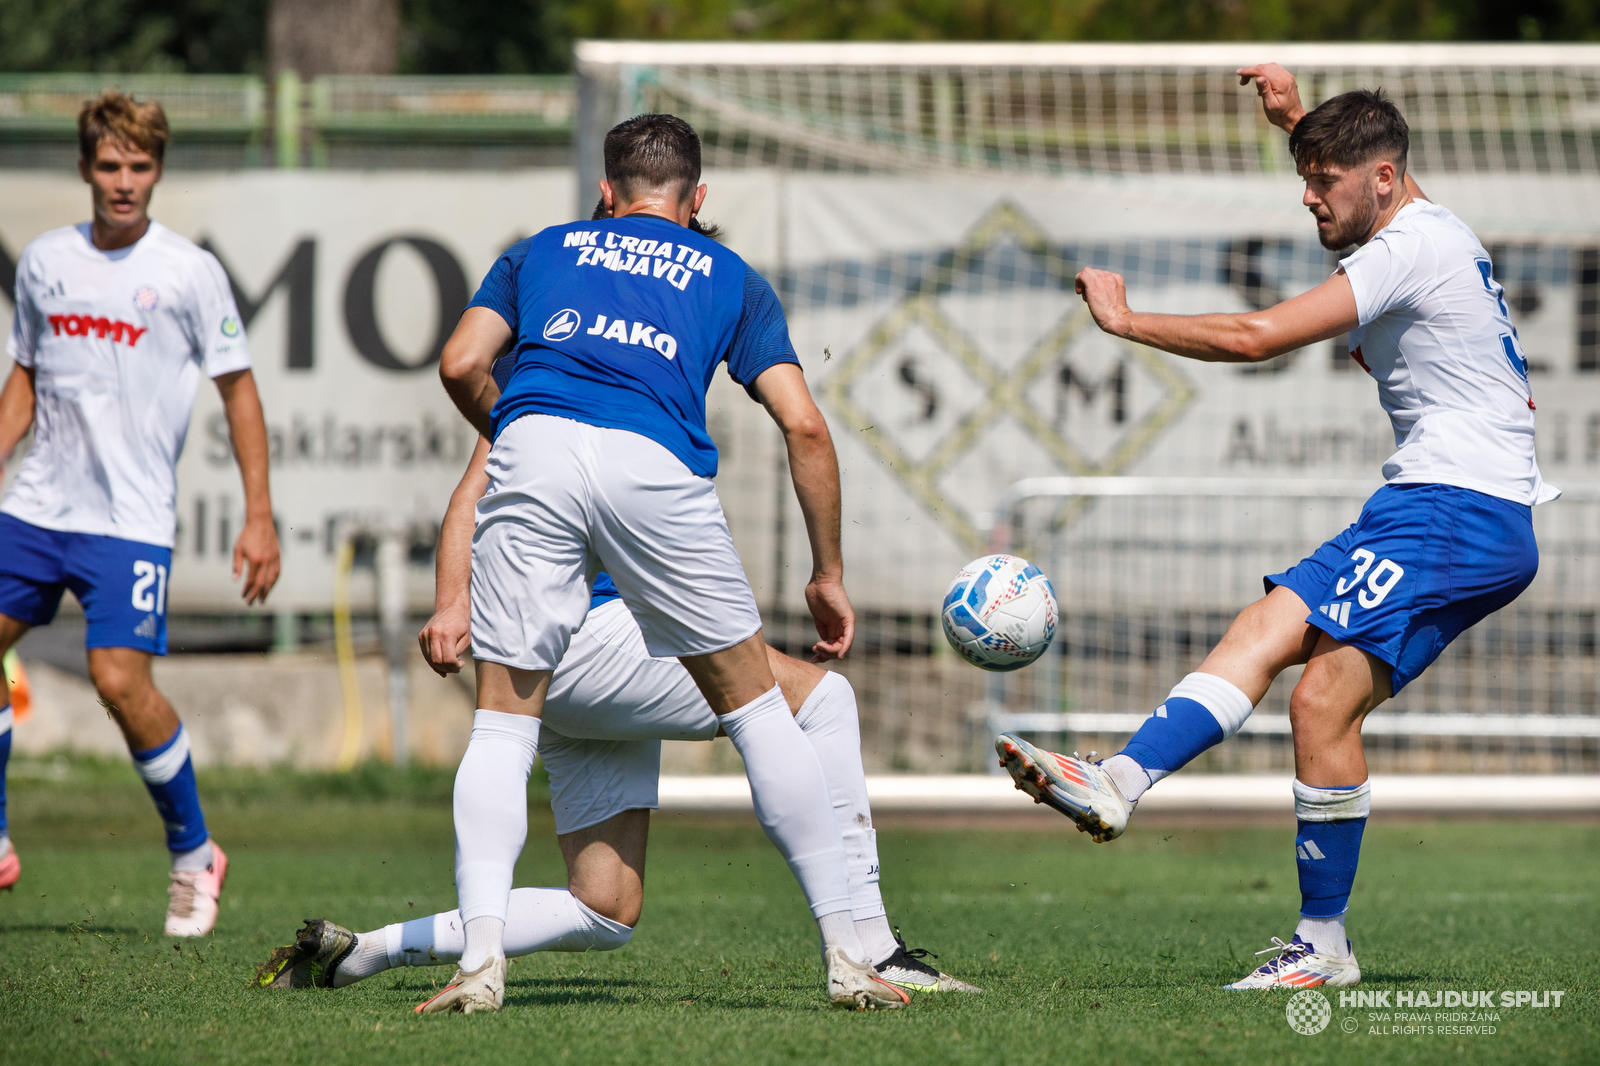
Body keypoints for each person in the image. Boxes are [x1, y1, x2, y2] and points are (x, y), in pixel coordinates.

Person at [996, 64, 1551, 990]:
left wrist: (1128, 322)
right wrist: (1298, 122)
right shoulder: (1421, 221)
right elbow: (1347, 180)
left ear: (1381, 179)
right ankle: (1156, 812)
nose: (1306, 199)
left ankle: (1140, 797)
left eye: (1322, 183)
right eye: (1305, 178)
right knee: (1294, 666)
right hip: (1453, 509)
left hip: (1455, 509)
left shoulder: (1407, 247)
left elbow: (1258, 336)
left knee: (1306, 681)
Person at [429, 113, 901, 1012]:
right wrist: (826, 573)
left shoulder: (541, 250)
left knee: (501, 730)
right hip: (656, 466)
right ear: (697, 200)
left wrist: (517, 424)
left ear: (607, 193)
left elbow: (461, 361)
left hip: (537, 448)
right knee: (765, 712)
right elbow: (803, 423)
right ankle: (849, 957)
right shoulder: (731, 276)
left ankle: (480, 965)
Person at [254, 437, 979, 999]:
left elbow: (472, 486)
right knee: (824, 699)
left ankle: (365, 952)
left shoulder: (569, 331)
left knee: (605, 909)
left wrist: (452, 601)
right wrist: (826, 572)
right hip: (596, 639)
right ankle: (877, 950)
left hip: (559, 654)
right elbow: (804, 427)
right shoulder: (619, 334)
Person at [0, 91, 280, 934]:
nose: (125, 182)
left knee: (119, 680)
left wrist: (259, 515)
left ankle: (196, 854)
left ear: (158, 171)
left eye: (141, 166)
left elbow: (240, 392)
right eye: (111, 166)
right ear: (86, 169)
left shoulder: (188, 272)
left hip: (128, 519)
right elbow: (25, 378)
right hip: (37, 505)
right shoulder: (46, 261)